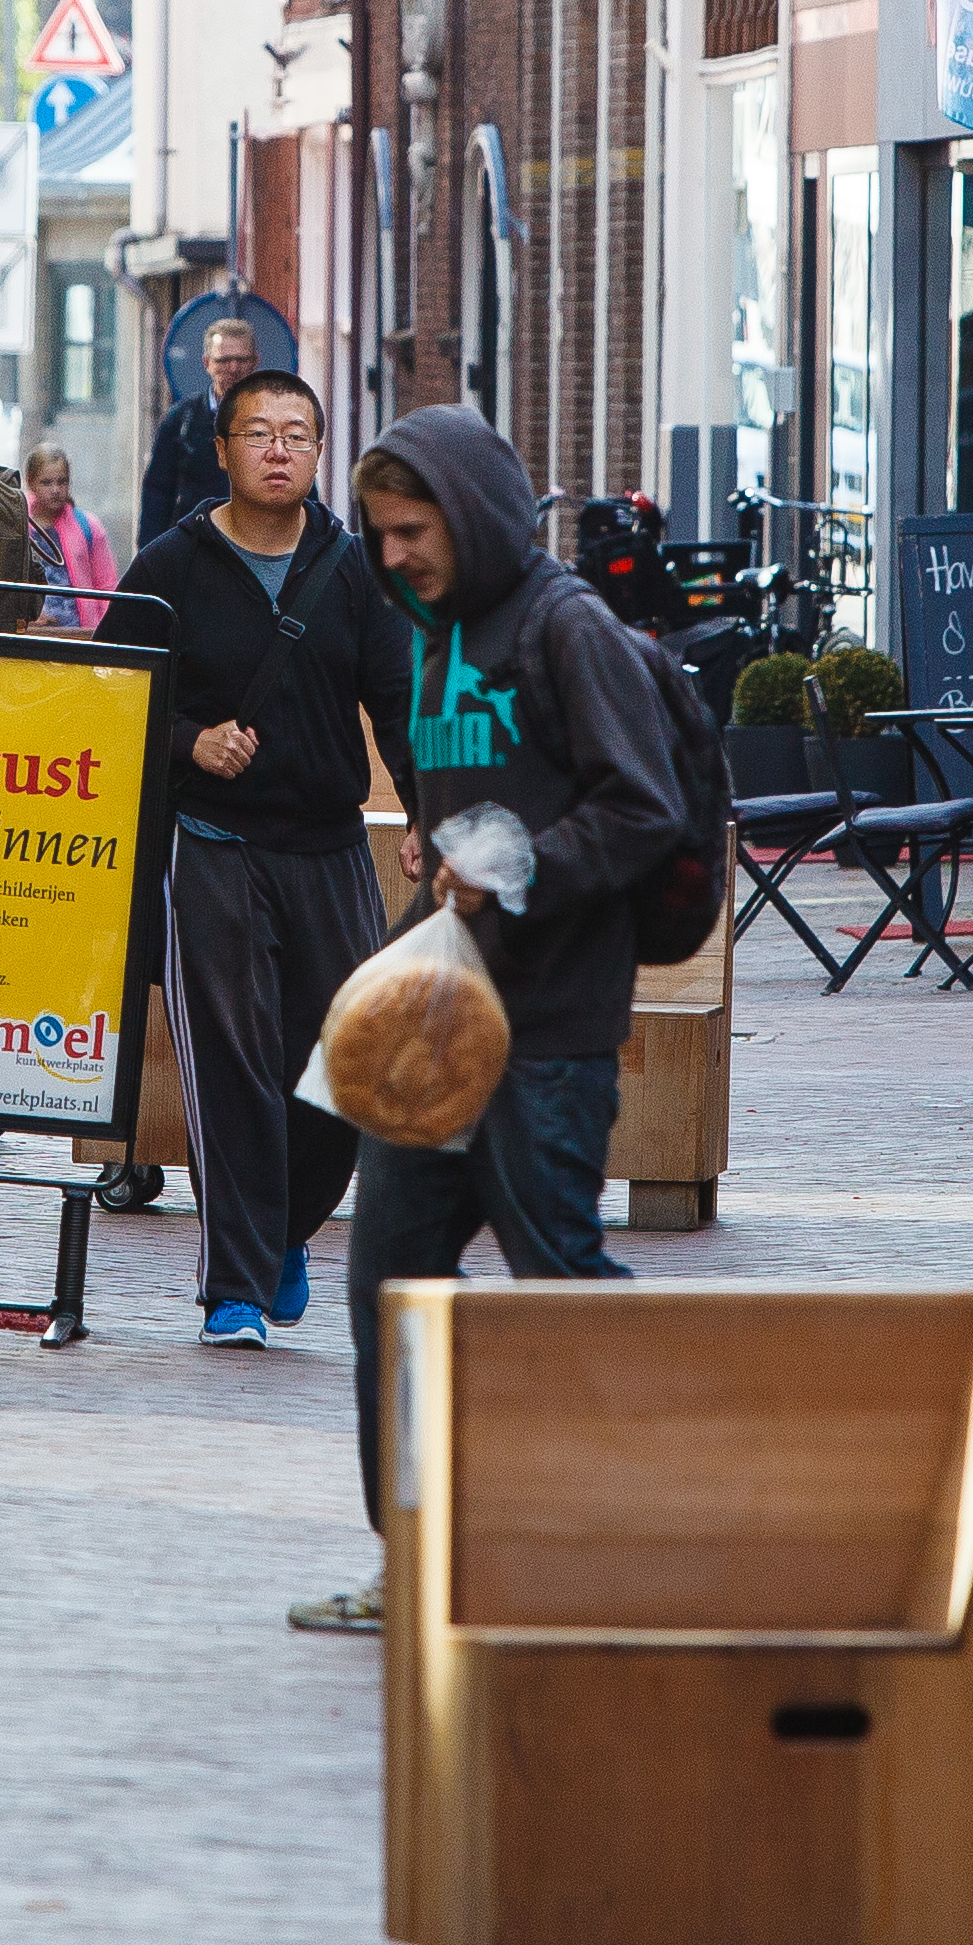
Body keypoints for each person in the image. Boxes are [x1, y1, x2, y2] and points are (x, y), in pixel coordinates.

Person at [292, 405, 685, 1636]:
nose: (394, 556)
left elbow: (645, 807)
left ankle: (621, 1534)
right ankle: (411, 1561)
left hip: (551, 1031)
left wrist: (513, 867)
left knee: (553, 1283)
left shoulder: (566, 629)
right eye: (381, 534)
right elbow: (466, 802)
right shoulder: (434, 630)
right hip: (440, 1027)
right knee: (391, 1291)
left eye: (414, 531)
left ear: (473, 514)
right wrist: (437, 860)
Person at [111, 369, 400, 1349]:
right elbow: (112, 701)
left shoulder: (354, 571)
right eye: (259, 433)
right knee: (231, 1071)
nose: (279, 450)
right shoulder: (169, 567)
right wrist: (188, 740)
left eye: (298, 435)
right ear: (224, 449)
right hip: (214, 850)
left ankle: (285, 1233)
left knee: (346, 1066)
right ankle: (234, 1286)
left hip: (329, 850)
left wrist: (447, 827)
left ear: (320, 454)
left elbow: (405, 710)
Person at [134, 314, 264, 548]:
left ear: (255, 361)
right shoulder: (182, 421)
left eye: (241, 360)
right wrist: (149, 562)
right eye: (224, 360)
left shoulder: (276, 421)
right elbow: (157, 495)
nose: (233, 368)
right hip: (194, 552)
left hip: (258, 554)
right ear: (207, 363)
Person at [24, 441, 117, 614]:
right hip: (30, 632)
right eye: (46, 483)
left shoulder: (88, 526)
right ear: (31, 482)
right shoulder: (17, 526)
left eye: (62, 482)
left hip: (78, 633)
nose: (55, 490)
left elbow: (107, 585)